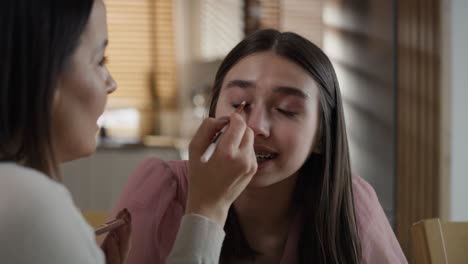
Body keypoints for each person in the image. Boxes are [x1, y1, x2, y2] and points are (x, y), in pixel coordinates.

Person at [111, 29, 408, 263]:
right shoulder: (160, 188)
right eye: (239, 103)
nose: (256, 127)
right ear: (213, 114)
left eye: (287, 110)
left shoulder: (352, 206)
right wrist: (205, 210)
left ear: (321, 136)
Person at [0, 0, 251, 263]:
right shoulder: (31, 204)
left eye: (286, 110)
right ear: (46, 74)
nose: (112, 83)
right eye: (100, 61)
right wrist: (208, 210)